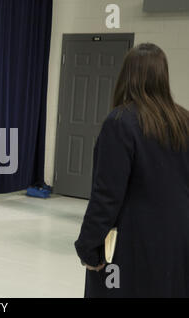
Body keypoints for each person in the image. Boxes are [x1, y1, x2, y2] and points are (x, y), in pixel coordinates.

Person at [75, 43, 189, 297]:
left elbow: (107, 196)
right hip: (178, 244)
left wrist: (87, 246)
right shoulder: (184, 121)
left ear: (126, 76)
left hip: (133, 246)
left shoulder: (120, 123)